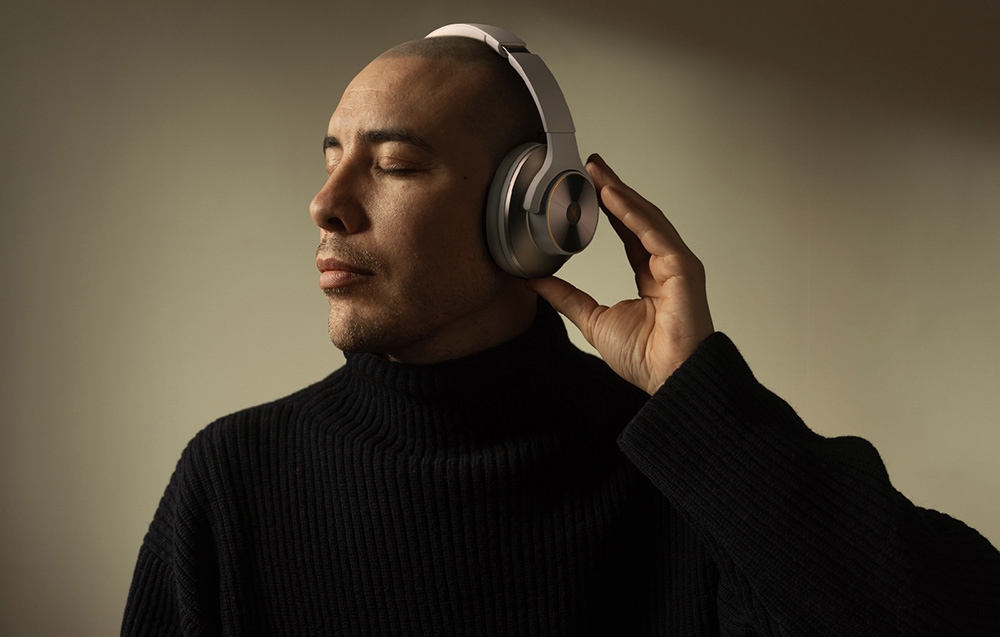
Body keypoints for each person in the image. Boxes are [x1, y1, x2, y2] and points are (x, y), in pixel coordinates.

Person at [122, 29, 1000, 636]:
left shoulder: (685, 475)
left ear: (537, 212)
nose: (326, 203)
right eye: (330, 159)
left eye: (393, 164)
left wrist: (703, 402)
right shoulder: (233, 479)